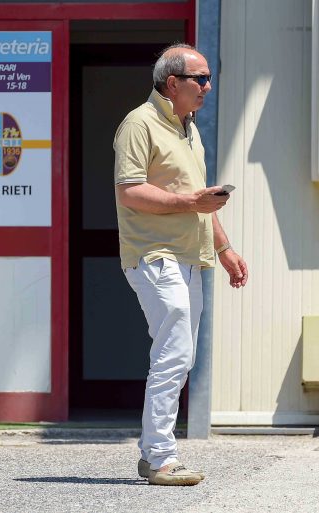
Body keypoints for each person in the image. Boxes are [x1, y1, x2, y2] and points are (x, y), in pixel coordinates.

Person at [113, 44, 248, 486]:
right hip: (153, 254)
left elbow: (200, 199)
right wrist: (191, 202)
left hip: (191, 256)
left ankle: (154, 452)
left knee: (182, 356)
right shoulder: (139, 123)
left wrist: (225, 249)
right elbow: (129, 191)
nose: (208, 86)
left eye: (209, 77)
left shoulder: (190, 129)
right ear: (172, 83)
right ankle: (160, 458)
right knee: (173, 352)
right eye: (200, 78)